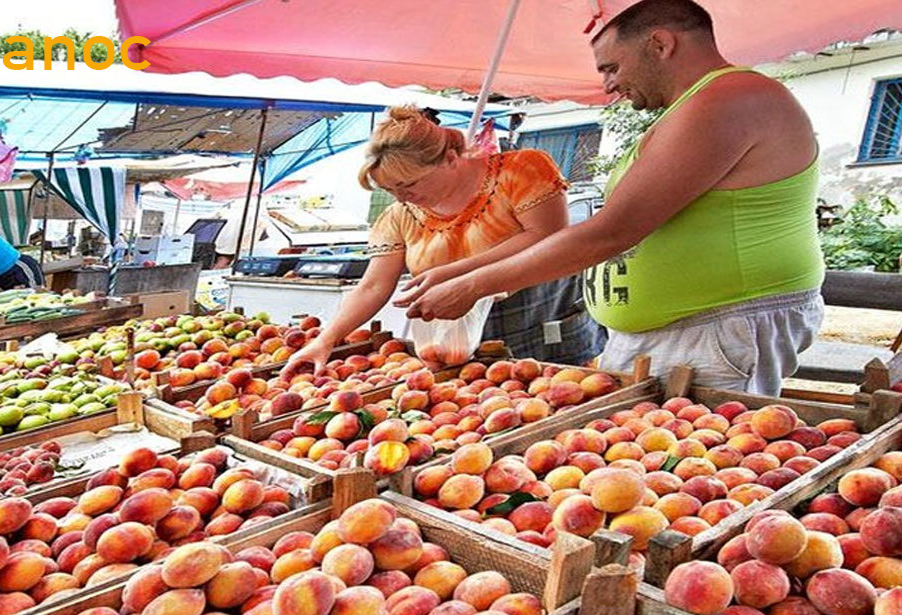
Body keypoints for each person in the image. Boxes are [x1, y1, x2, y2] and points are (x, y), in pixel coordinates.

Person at [398, 0, 824, 396]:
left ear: (660, 44)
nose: (609, 85)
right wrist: (457, 275)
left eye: (611, 67)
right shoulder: (694, 108)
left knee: (689, 465)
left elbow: (612, 232)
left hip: (715, 327)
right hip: (682, 330)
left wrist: (474, 286)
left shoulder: (728, 100)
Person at [285, 106, 602, 375]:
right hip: (459, 343)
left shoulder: (521, 171)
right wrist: (326, 339)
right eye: (391, 190)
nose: (402, 197)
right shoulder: (401, 214)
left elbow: (547, 238)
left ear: (450, 158)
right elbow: (372, 286)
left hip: (543, 322)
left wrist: (455, 274)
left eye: (408, 185)